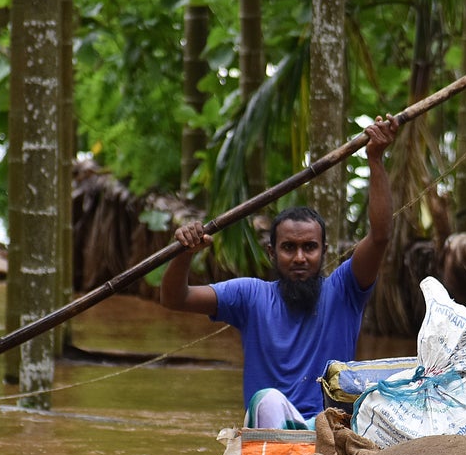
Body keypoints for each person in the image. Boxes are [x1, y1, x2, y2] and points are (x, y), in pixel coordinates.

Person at [162, 114, 400, 429]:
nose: (300, 257)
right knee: (270, 399)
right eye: (289, 248)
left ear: (323, 251)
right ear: (272, 253)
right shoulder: (249, 295)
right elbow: (174, 298)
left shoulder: (345, 290)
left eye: (309, 248)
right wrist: (184, 254)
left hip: (328, 429)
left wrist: (375, 159)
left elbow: (380, 235)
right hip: (270, 434)